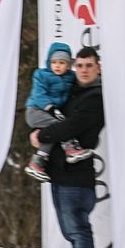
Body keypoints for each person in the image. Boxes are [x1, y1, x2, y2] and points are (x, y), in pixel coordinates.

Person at [31, 46, 105, 248]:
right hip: (61, 172)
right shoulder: (72, 90)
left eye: (89, 66)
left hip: (78, 175)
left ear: (98, 68)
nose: (83, 71)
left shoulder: (95, 96)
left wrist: (42, 135)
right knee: (70, 229)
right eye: (80, 66)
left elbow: (71, 127)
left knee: (77, 229)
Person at [23, 42, 93, 182]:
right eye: (54, 62)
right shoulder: (41, 75)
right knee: (58, 127)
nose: (57, 66)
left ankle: (37, 163)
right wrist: (50, 107)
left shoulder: (70, 77)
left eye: (61, 63)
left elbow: (82, 78)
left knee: (52, 134)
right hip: (35, 110)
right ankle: (70, 149)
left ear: (68, 65)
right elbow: (38, 94)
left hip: (49, 113)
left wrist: (98, 71)